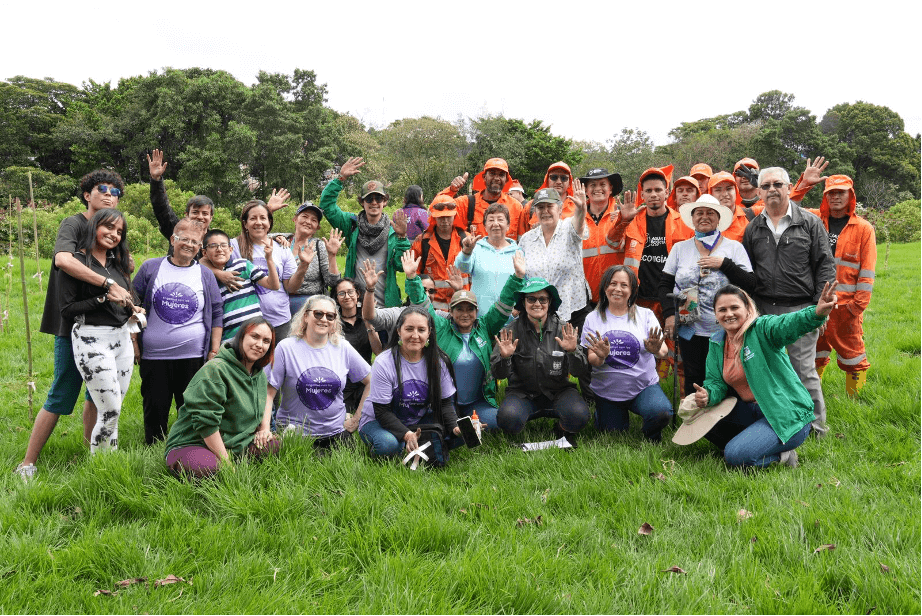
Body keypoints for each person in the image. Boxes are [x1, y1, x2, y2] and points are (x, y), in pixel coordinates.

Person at [15, 169, 133, 481]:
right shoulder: (74, 223)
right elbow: (63, 261)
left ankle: (91, 453)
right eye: (102, 189)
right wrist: (107, 286)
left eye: (115, 192)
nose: (109, 195)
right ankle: (28, 463)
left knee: (97, 395)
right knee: (62, 392)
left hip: (108, 331)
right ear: (87, 194)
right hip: (72, 325)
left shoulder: (114, 238)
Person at [678, 283, 839, 468]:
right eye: (722, 309)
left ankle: (781, 455)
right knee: (699, 417)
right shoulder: (717, 342)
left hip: (785, 414)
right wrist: (708, 395)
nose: (728, 314)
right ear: (715, 315)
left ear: (747, 309)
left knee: (735, 457)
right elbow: (715, 382)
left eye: (734, 307)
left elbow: (788, 324)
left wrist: (815, 313)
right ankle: (753, 445)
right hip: (752, 411)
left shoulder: (762, 329)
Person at [742, 167, 836, 436]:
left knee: (803, 369)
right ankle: (780, 420)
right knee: (771, 371)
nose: (772, 189)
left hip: (801, 307)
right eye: (767, 185)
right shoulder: (753, 228)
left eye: (778, 184)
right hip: (764, 312)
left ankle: (816, 427)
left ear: (788, 187)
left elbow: (824, 264)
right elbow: (747, 270)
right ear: (759, 192)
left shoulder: (809, 222)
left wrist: (820, 308)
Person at [405, 248, 527, 430]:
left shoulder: (485, 326)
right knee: (441, 429)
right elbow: (423, 305)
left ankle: (469, 420)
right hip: (446, 402)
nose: (464, 314)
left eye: (469, 309)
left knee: (498, 423)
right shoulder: (440, 327)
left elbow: (504, 304)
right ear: (451, 311)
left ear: (476, 311)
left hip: (477, 402)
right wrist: (412, 278)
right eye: (459, 309)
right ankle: (452, 421)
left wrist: (517, 277)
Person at [61, 208, 145, 453]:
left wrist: (135, 309)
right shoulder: (76, 262)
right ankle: (101, 466)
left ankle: (109, 460)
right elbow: (67, 309)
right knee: (110, 409)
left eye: (119, 231)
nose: (114, 234)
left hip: (122, 339)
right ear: (94, 226)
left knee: (115, 405)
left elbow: (129, 297)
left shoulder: (117, 264)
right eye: (109, 227)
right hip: (91, 338)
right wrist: (103, 299)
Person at [134, 218, 223, 444]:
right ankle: (154, 451)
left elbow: (216, 313)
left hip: (193, 356)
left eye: (195, 242)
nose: (189, 245)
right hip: (154, 356)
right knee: (155, 409)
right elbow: (132, 305)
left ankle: (188, 447)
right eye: (184, 239)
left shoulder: (205, 274)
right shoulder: (151, 267)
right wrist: (134, 341)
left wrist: (213, 352)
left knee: (191, 408)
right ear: (173, 240)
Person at [147, 148, 290, 289]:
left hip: (205, 293)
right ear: (186, 215)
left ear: (211, 217)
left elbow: (246, 236)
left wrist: (270, 220)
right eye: (195, 212)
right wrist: (156, 180)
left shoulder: (215, 238)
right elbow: (161, 209)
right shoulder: (177, 229)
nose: (200, 217)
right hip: (176, 287)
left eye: (205, 213)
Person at [658, 195, 754, 396]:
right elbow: (665, 284)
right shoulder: (680, 248)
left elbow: (750, 283)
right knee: (693, 374)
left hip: (725, 327)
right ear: (692, 218)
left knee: (725, 375)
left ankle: (724, 420)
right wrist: (669, 315)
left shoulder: (733, 248)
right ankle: (695, 420)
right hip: (689, 324)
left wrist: (724, 264)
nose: (704, 217)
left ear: (719, 218)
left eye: (710, 213)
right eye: (699, 213)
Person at [164, 318, 281, 479]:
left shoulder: (258, 374)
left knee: (273, 445)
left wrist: (263, 430)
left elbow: (261, 407)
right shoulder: (215, 370)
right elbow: (206, 424)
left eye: (266, 341)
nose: (260, 345)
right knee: (208, 467)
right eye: (254, 336)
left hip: (236, 442)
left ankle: (231, 458)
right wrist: (227, 464)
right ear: (241, 337)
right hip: (195, 441)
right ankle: (212, 461)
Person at [608, 167, 692, 377]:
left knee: (678, 352)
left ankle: (682, 401)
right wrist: (623, 220)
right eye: (648, 190)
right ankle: (647, 389)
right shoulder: (633, 220)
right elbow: (612, 242)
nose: (653, 194)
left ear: (667, 192)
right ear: (642, 194)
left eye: (658, 190)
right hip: (640, 300)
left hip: (672, 300)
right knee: (642, 348)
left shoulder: (683, 222)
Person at [797, 174, 876, 396]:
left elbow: (867, 271)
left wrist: (856, 307)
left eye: (840, 192)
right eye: (830, 193)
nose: (835, 197)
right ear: (825, 196)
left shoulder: (863, 229)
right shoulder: (813, 219)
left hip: (846, 308)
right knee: (813, 352)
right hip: (815, 303)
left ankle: (855, 402)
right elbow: (789, 207)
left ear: (850, 195)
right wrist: (804, 185)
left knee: (853, 356)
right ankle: (812, 397)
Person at [491, 278, 591, 444]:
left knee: (579, 416)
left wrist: (573, 351)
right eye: (531, 299)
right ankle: (520, 420)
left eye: (542, 299)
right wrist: (505, 357)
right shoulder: (509, 332)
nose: (537, 303)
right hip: (522, 394)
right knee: (507, 420)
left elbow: (580, 371)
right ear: (523, 303)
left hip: (559, 391)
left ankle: (562, 429)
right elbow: (498, 374)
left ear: (550, 302)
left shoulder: (565, 329)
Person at [266, 295, 371, 448]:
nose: (324, 319)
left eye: (330, 316)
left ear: (335, 322)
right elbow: (269, 393)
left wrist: (356, 420)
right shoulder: (286, 348)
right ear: (306, 316)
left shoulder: (343, 347)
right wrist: (266, 428)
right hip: (295, 433)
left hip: (337, 432)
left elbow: (371, 380)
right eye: (318, 314)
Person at [581, 266, 672, 441]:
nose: (617, 289)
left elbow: (663, 351)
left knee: (660, 412)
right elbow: (593, 360)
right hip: (608, 391)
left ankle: (651, 434)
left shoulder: (645, 315)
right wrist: (601, 355)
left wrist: (655, 350)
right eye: (612, 283)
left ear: (632, 290)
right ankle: (603, 415)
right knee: (614, 436)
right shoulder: (592, 318)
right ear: (605, 287)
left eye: (624, 285)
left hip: (643, 387)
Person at [358, 306, 461, 458]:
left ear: (429, 333)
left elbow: (445, 404)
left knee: (461, 436)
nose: (415, 335)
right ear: (399, 331)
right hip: (378, 420)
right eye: (409, 329)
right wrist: (406, 435)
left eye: (421, 330)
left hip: (416, 420)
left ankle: (413, 446)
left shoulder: (439, 361)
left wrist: (455, 427)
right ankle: (405, 445)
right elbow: (381, 412)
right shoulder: (384, 362)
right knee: (388, 445)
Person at [318, 156, 410, 308]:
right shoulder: (351, 225)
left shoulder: (394, 232)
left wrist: (402, 238)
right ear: (361, 202)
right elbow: (327, 206)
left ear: (385, 202)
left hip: (386, 306)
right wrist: (340, 179)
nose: (374, 202)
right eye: (369, 199)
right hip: (354, 306)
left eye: (378, 199)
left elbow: (401, 266)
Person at [518, 185, 591, 330]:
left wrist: (582, 209)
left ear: (559, 209)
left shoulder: (569, 228)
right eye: (540, 207)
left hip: (572, 312)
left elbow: (579, 223)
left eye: (549, 206)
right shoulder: (527, 239)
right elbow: (521, 275)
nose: (545, 211)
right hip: (538, 312)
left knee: (572, 352)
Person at [231, 199, 298, 340]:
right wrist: (220, 274)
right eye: (253, 218)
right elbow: (205, 259)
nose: (258, 222)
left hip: (279, 319)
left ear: (270, 223)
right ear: (245, 223)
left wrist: (303, 266)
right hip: (246, 321)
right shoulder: (234, 246)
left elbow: (290, 287)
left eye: (263, 218)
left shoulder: (282, 247)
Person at [199, 229, 279, 342]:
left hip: (255, 335)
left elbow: (274, 285)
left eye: (223, 245)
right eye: (213, 246)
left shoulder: (243, 265)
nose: (219, 249)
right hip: (228, 340)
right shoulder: (205, 277)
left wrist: (269, 259)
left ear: (231, 249)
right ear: (204, 253)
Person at [454, 202, 519, 317]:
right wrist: (466, 252)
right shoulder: (476, 248)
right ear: (484, 226)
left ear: (508, 225)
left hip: (509, 320)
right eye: (491, 220)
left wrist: (519, 307)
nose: (495, 224)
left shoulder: (518, 252)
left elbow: (524, 282)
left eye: (500, 219)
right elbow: (462, 268)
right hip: (480, 318)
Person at [440, 158, 526, 239]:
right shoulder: (465, 203)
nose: (496, 178)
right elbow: (436, 209)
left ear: (506, 180)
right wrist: (451, 190)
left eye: (501, 175)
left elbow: (522, 240)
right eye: (492, 173)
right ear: (484, 177)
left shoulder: (516, 207)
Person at [331, 277, 382, 412]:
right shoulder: (332, 322)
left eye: (350, 292)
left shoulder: (368, 317)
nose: (347, 297)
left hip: (365, 381)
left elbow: (378, 351)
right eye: (341, 293)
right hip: (342, 383)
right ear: (336, 298)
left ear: (358, 294)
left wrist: (368, 324)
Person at [411, 195, 469, 311]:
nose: (445, 221)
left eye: (448, 217)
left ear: (455, 215)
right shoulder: (422, 242)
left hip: (461, 306)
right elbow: (414, 277)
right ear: (434, 217)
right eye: (441, 217)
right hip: (432, 310)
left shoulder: (467, 241)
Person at [286, 201, 343, 316]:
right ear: (295, 219)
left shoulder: (319, 246)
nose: (308, 222)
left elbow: (333, 283)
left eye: (314, 220)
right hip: (280, 304)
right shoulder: (281, 240)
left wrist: (332, 255)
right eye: (305, 216)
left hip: (309, 307)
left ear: (317, 227)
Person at [578, 167, 624, 304]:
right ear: (586, 190)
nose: (597, 188)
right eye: (592, 185)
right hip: (584, 300)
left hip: (617, 298)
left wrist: (624, 220)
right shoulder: (575, 220)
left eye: (602, 184)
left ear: (611, 188)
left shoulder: (623, 217)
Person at [706, 171, 756, 242]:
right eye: (718, 190)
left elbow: (776, 209)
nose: (725, 194)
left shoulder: (752, 214)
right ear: (711, 194)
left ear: (736, 191)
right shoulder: (702, 221)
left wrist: (762, 185)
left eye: (729, 189)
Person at [524, 162, 578, 228]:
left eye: (564, 178)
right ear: (547, 180)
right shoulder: (531, 206)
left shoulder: (577, 207)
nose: (559, 182)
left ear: (569, 182)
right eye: (554, 177)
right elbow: (522, 235)